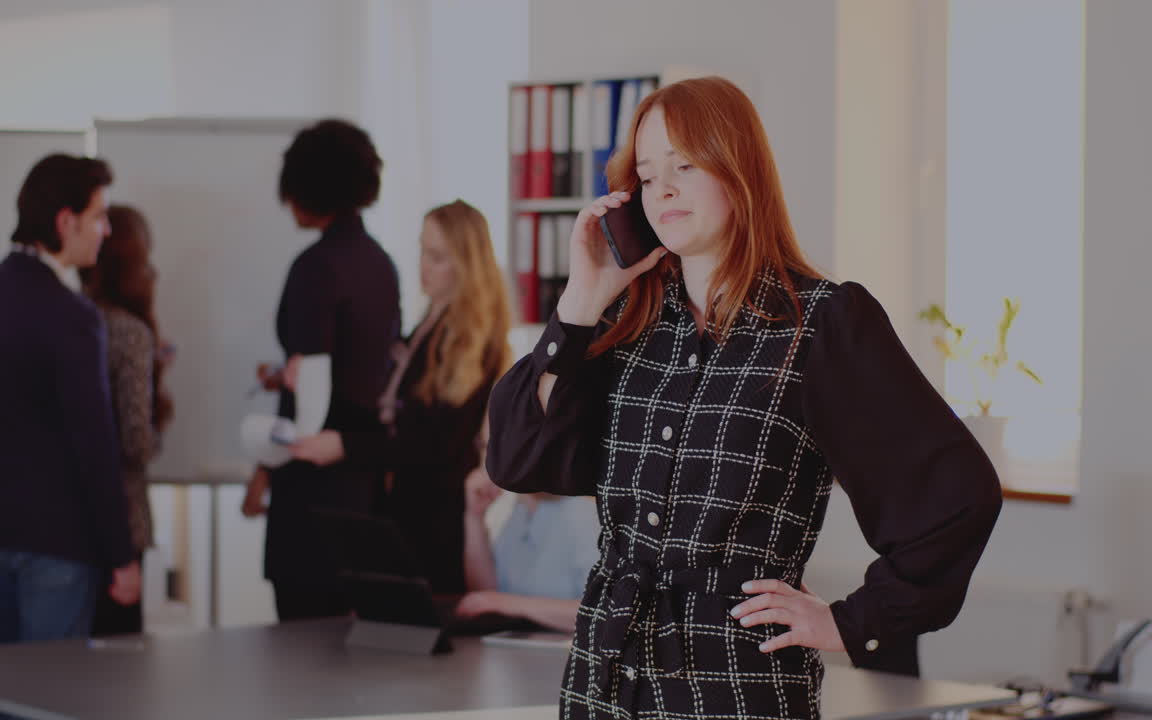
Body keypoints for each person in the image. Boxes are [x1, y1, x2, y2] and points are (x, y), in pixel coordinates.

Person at [485, 76, 1002, 719]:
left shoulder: (821, 324)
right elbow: (516, 461)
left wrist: (852, 622)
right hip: (602, 682)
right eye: (647, 176)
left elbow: (956, 494)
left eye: (686, 164)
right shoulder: (624, 326)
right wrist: (582, 300)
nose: (663, 188)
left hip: (734, 687)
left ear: (739, 169)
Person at [0, 155, 141, 661]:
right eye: (98, 216)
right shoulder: (73, 317)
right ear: (65, 221)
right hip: (60, 541)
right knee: (50, 694)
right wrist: (121, 554)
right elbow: (95, 444)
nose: (106, 230)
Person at [294, 199, 511, 595]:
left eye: (438, 257)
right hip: (404, 508)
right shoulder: (425, 327)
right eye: (422, 252)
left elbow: (433, 443)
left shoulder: (471, 344)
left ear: (466, 264)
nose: (423, 267)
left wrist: (345, 446)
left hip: (438, 519)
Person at [240, 119, 401, 621]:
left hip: (312, 486)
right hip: (365, 484)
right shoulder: (381, 263)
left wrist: (264, 469)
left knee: (301, 657)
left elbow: (309, 391)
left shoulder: (316, 266)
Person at [79, 205, 174, 636]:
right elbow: (135, 440)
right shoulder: (130, 333)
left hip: (70, 519)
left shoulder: (72, 318)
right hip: (121, 520)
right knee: (115, 676)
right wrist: (159, 423)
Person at [455, 462, 598, 633]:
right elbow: (484, 599)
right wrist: (474, 517)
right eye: (486, 446)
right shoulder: (517, 514)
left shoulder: (585, 513)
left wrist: (509, 603)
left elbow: (601, 613)